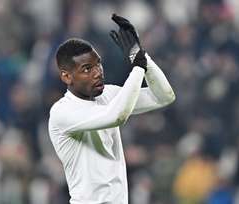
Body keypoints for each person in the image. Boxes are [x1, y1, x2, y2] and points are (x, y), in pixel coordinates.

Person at [48, 14, 175, 204]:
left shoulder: (109, 95)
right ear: (66, 77)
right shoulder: (62, 112)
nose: (97, 72)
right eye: (86, 69)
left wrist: (140, 55)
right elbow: (117, 116)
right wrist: (138, 67)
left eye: (98, 64)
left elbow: (164, 96)